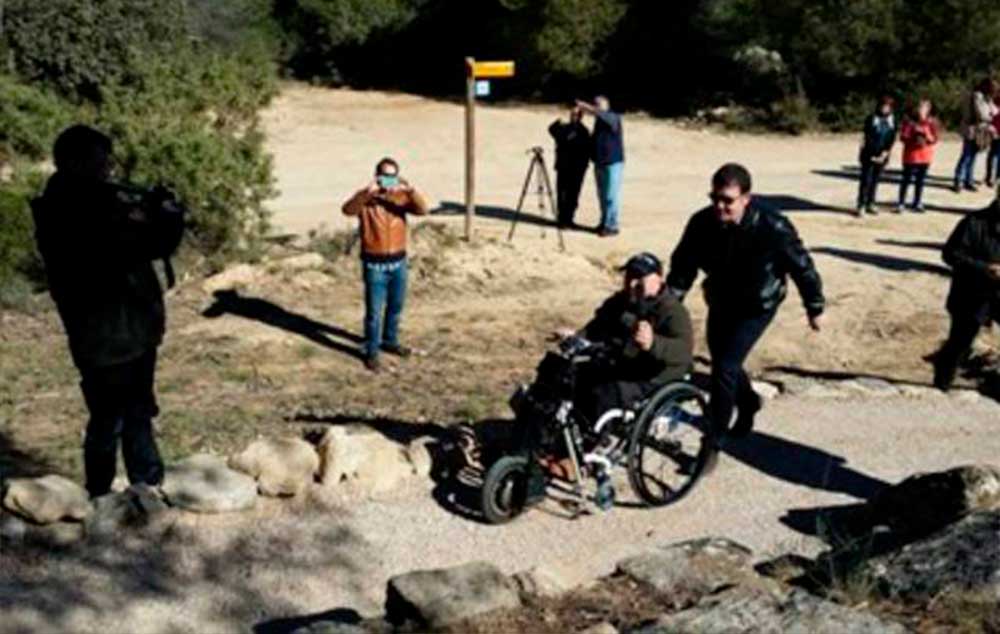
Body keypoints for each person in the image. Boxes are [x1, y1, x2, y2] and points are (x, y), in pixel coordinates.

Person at [31, 124, 185, 499]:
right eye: (100, 162)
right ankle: (112, 494)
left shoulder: (84, 201)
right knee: (114, 417)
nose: (107, 170)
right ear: (74, 162)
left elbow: (145, 242)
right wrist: (164, 217)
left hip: (125, 329)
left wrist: (157, 215)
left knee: (130, 413)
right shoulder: (74, 209)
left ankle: (132, 494)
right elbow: (143, 244)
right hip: (106, 333)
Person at [667, 163, 824, 440]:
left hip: (757, 304)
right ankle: (749, 402)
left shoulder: (773, 226)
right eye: (714, 198)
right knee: (724, 362)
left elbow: (802, 266)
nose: (720, 206)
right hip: (721, 299)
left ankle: (714, 439)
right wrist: (670, 303)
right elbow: (683, 267)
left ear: (746, 199)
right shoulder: (701, 223)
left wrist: (814, 306)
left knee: (725, 366)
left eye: (728, 200)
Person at [555, 252, 694, 427]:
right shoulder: (620, 300)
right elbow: (596, 326)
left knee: (606, 391)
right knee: (570, 373)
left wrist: (653, 343)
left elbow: (684, 352)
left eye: (639, 277)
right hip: (624, 363)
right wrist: (575, 337)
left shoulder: (673, 311)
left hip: (654, 376)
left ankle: (589, 440)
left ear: (658, 279)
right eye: (629, 276)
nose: (631, 283)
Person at [342, 157, 430, 372]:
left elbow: (423, 210)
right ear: (377, 176)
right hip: (375, 265)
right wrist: (365, 193)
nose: (388, 181)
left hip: (398, 261)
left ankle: (390, 341)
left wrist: (411, 190)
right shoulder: (366, 201)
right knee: (374, 313)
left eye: (392, 176)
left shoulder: (401, 198)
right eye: (384, 176)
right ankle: (371, 352)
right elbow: (347, 210)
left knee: (395, 307)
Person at [933, 188, 1000, 391]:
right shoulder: (973, 222)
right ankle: (942, 383)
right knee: (960, 343)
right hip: (970, 295)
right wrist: (984, 268)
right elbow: (950, 254)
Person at [576, 96, 624, 237]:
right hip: (600, 162)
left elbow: (606, 118)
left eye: (599, 104)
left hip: (612, 163)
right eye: (595, 103)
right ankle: (604, 223)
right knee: (602, 196)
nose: (596, 106)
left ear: (607, 105)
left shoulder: (613, 117)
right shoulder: (599, 121)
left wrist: (588, 107)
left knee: (610, 195)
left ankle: (611, 225)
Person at [548, 106, 591, 227]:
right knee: (561, 193)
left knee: (573, 194)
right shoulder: (564, 128)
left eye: (576, 115)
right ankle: (562, 219)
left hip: (577, 168)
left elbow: (586, 150)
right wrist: (557, 121)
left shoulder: (584, 131)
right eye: (572, 114)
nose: (573, 116)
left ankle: (569, 218)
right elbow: (552, 130)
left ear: (580, 116)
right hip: (563, 166)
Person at [953, 78, 997, 193]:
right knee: (967, 156)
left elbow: (994, 110)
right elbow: (981, 114)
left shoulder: (984, 97)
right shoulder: (977, 96)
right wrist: (991, 116)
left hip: (977, 130)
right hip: (972, 129)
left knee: (972, 156)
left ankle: (968, 180)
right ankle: (959, 180)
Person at [856, 95, 897, 216]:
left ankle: (871, 203)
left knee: (875, 180)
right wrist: (873, 154)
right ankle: (861, 204)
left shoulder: (892, 120)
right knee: (865, 180)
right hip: (869, 154)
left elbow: (892, 137)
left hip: (883, 155)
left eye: (888, 107)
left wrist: (885, 152)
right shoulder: (871, 118)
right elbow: (867, 137)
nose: (885, 109)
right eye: (883, 106)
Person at [897, 99, 940, 213]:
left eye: (925, 107)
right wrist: (913, 135)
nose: (922, 110)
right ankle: (901, 202)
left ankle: (917, 202)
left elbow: (935, 138)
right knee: (906, 179)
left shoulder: (932, 122)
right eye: (920, 107)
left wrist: (927, 135)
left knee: (920, 181)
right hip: (911, 156)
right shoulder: (909, 121)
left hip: (925, 155)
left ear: (929, 109)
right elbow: (903, 137)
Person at [986, 94, 1000, 188]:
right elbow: (992, 116)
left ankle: (995, 177)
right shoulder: (995, 100)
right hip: (996, 132)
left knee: (995, 156)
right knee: (994, 156)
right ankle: (991, 178)